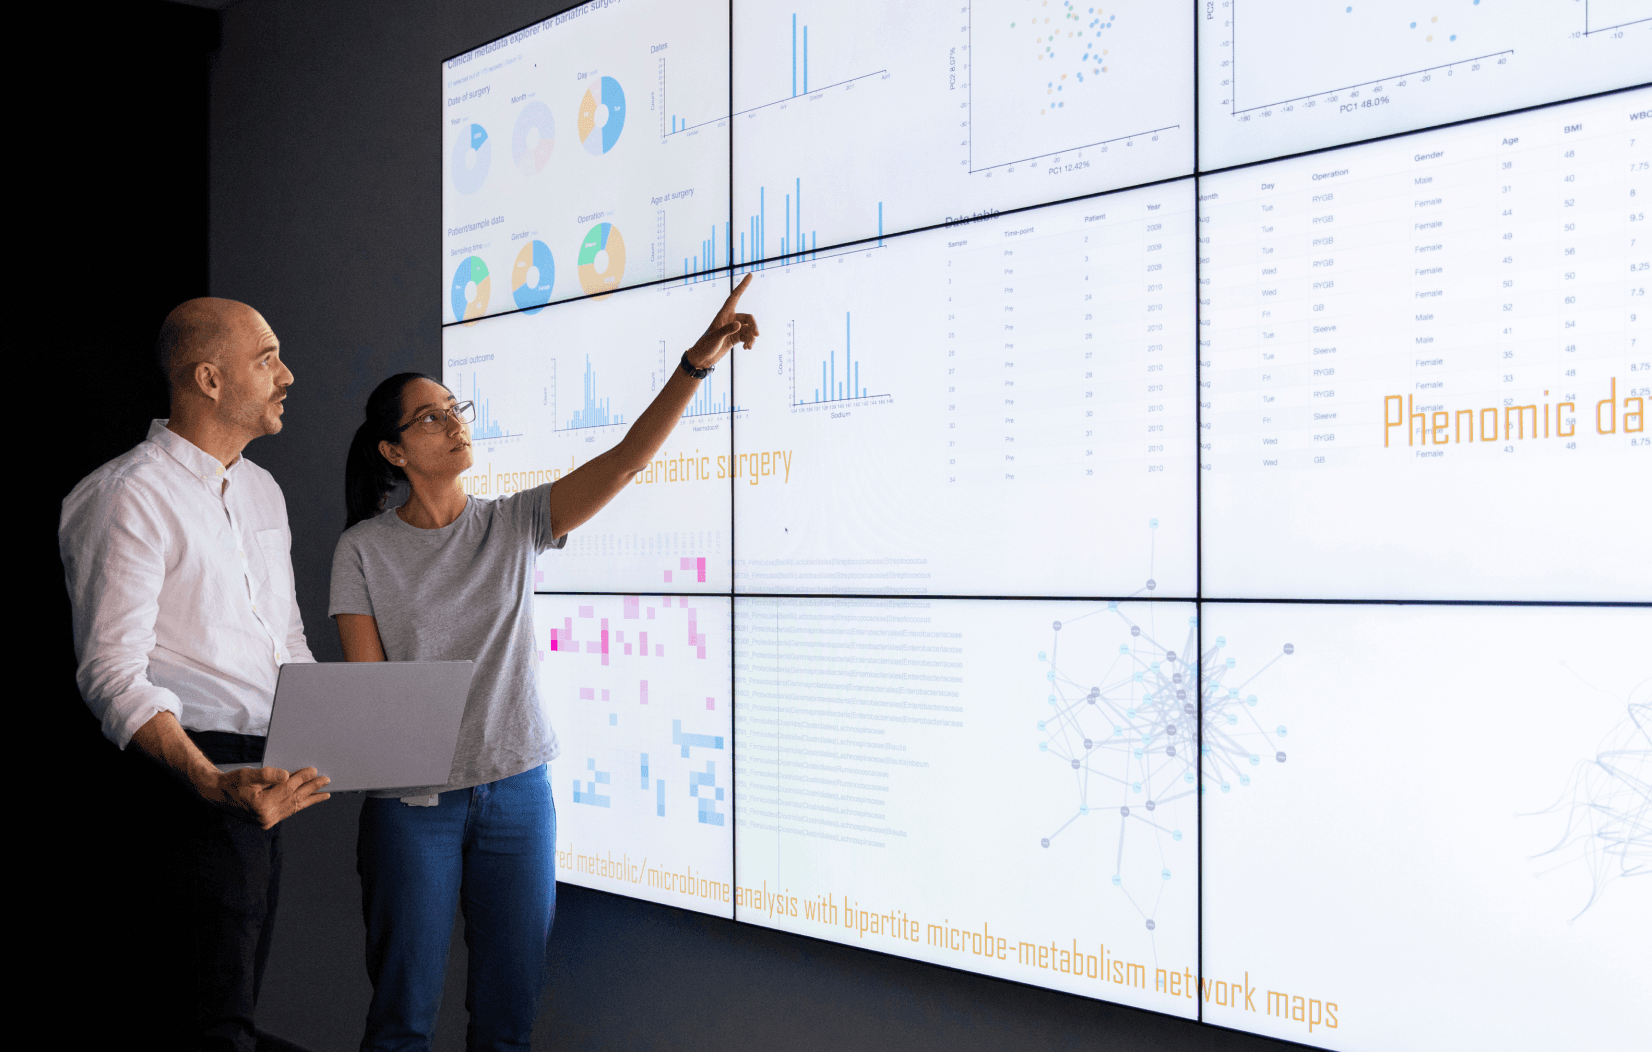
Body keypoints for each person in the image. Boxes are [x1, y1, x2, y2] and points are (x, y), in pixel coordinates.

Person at [331, 274, 758, 1049]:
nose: (454, 423)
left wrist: (695, 365)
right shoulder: (362, 550)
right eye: (431, 417)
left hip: (517, 794)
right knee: (402, 1018)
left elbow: (627, 461)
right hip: (412, 809)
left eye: (455, 409)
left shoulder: (515, 522)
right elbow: (372, 698)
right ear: (395, 450)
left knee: (508, 1018)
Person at [59, 297, 333, 1052]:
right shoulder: (126, 495)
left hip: (259, 784)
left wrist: (335, 735)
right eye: (266, 358)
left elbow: (285, 642)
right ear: (208, 379)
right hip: (179, 787)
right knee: (196, 1025)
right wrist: (209, 781)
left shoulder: (261, 492)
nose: (287, 375)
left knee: (231, 1011)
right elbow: (112, 672)